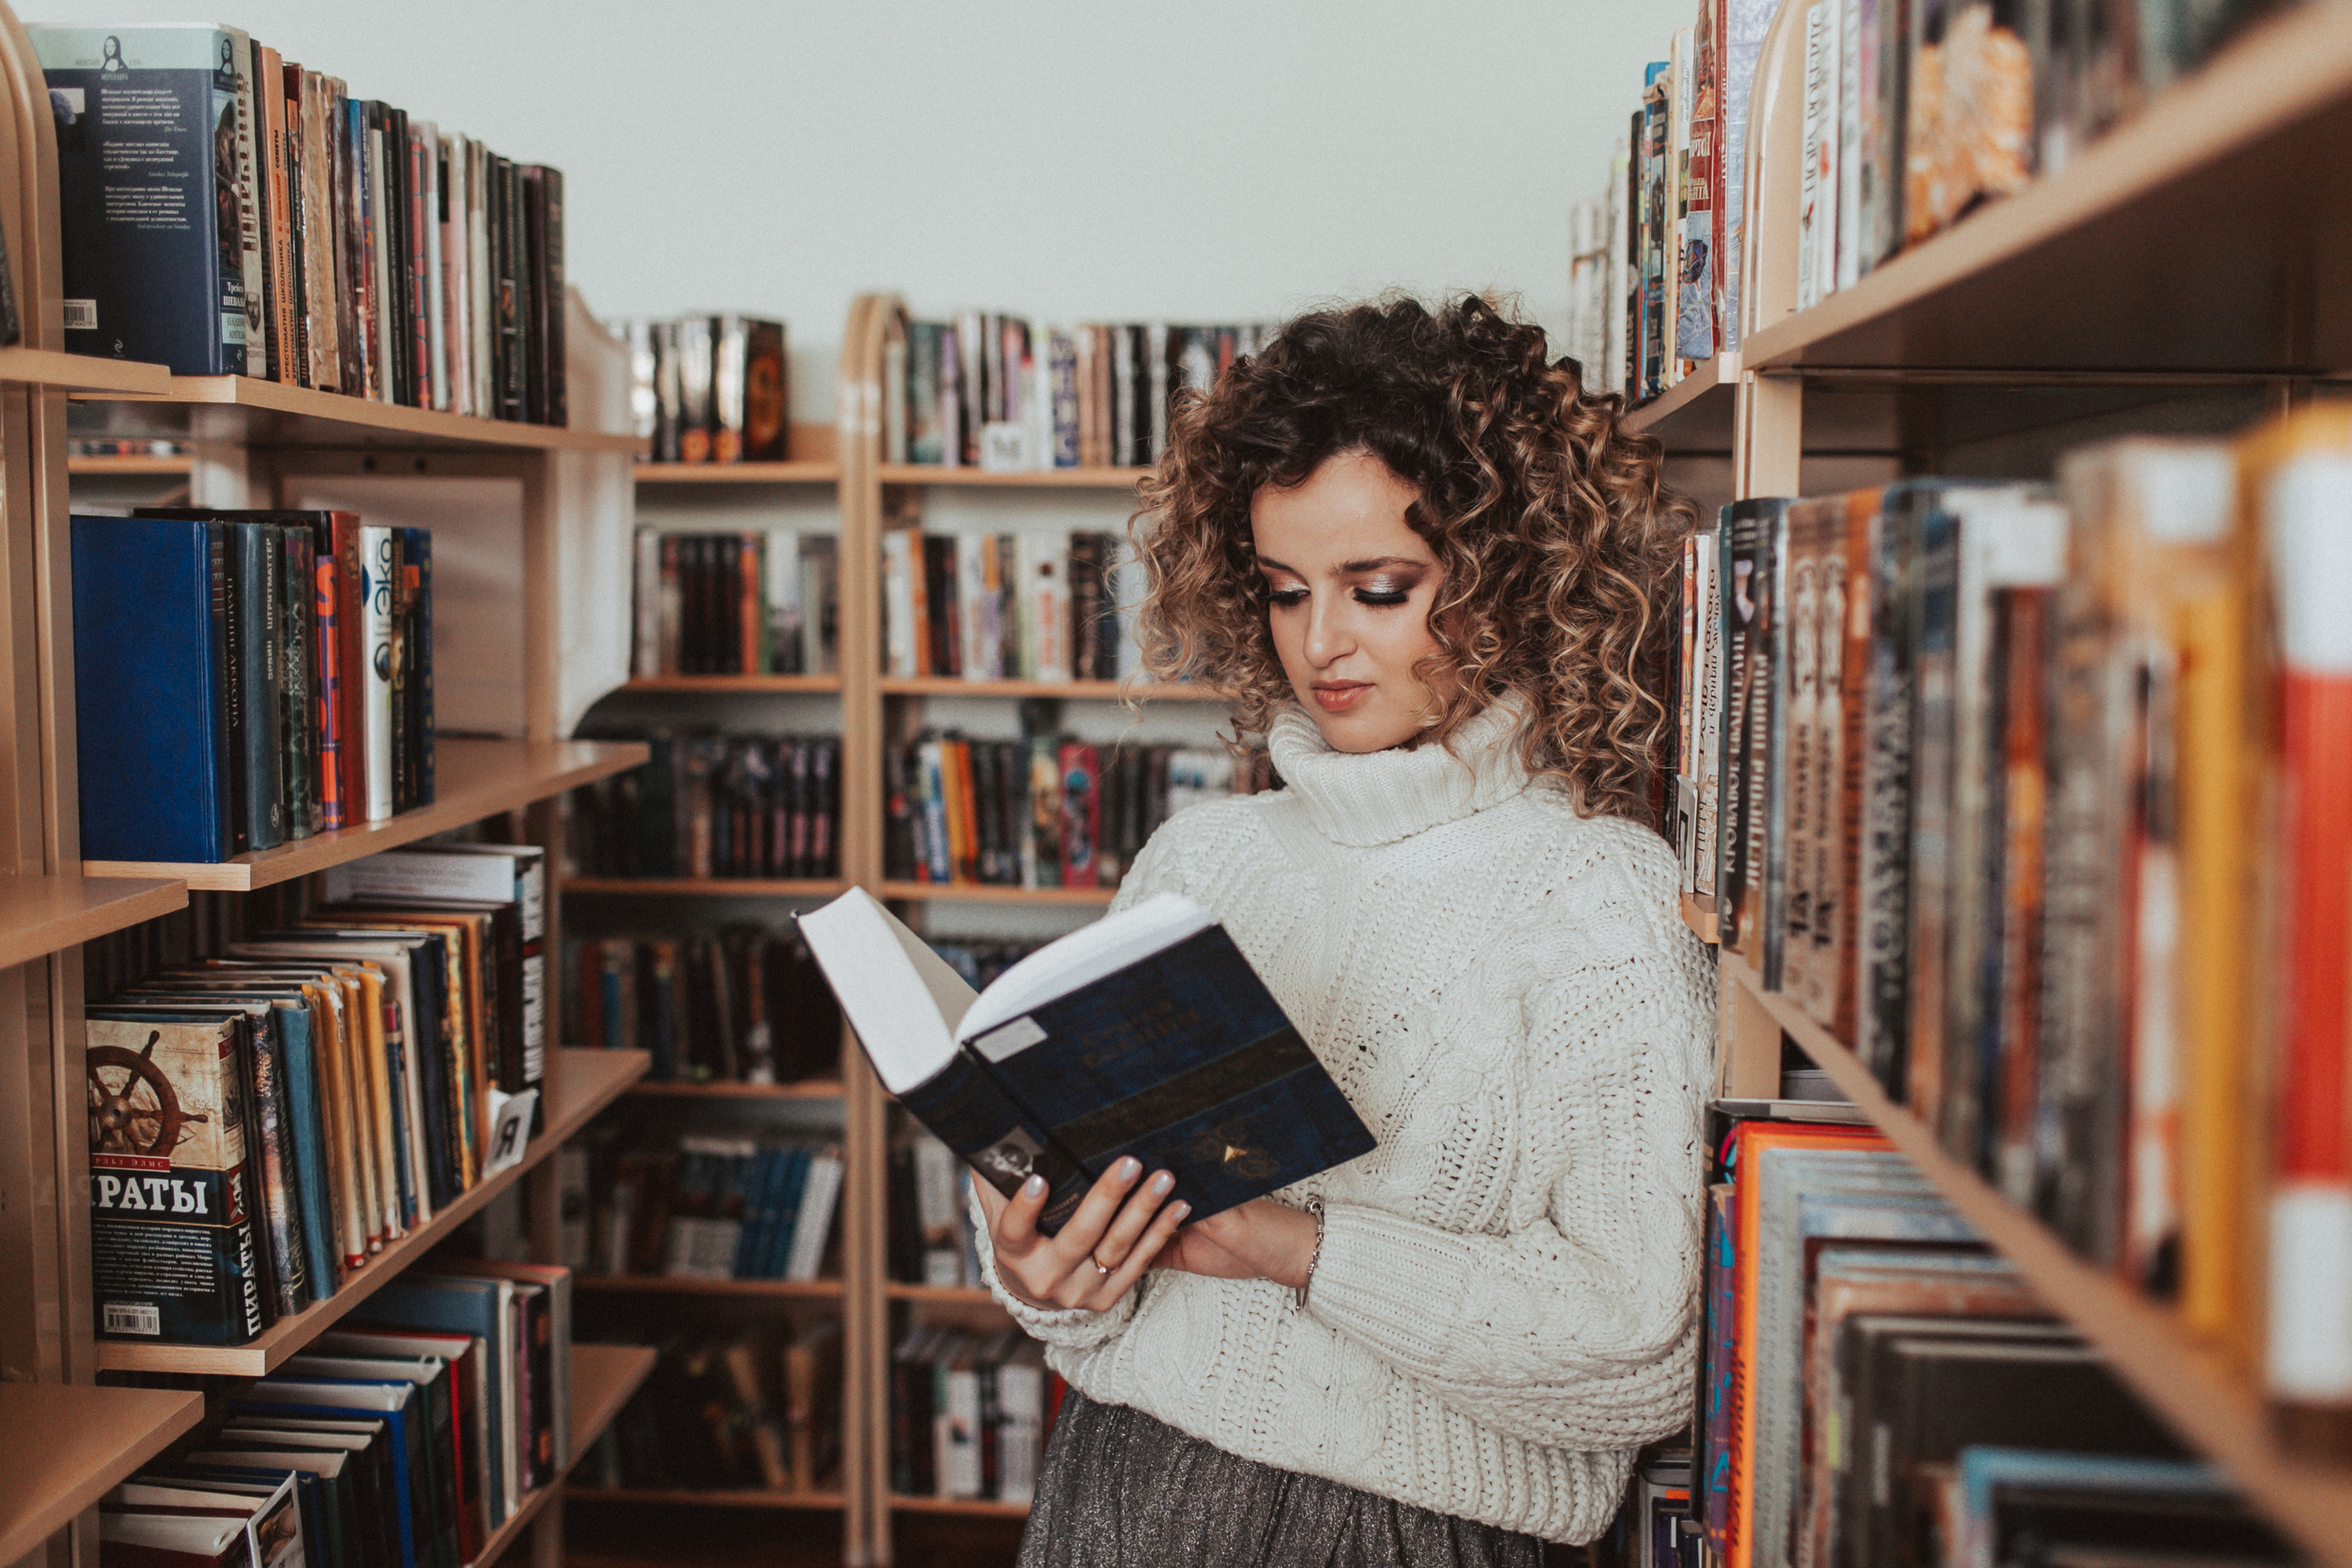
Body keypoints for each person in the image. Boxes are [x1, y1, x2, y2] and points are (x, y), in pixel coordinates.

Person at [972, 293, 1714, 1566]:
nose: (1321, 644)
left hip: (1405, 1535)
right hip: (1116, 1492)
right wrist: (1044, 1275)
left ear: (1510, 574)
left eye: (1378, 590)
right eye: (1282, 591)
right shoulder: (1201, 858)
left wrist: (1294, 1249)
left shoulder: (1602, 895)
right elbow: (1098, 1301)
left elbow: (1639, 1354)